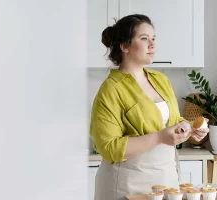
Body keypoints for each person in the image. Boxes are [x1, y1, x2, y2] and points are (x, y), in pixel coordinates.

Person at [89, 14, 210, 200]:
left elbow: (173, 121)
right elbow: (109, 147)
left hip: (165, 180)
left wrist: (190, 128)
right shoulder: (111, 89)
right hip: (127, 185)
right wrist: (160, 137)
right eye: (144, 39)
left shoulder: (160, 80)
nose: (152, 45)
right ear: (125, 46)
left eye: (153, 39)